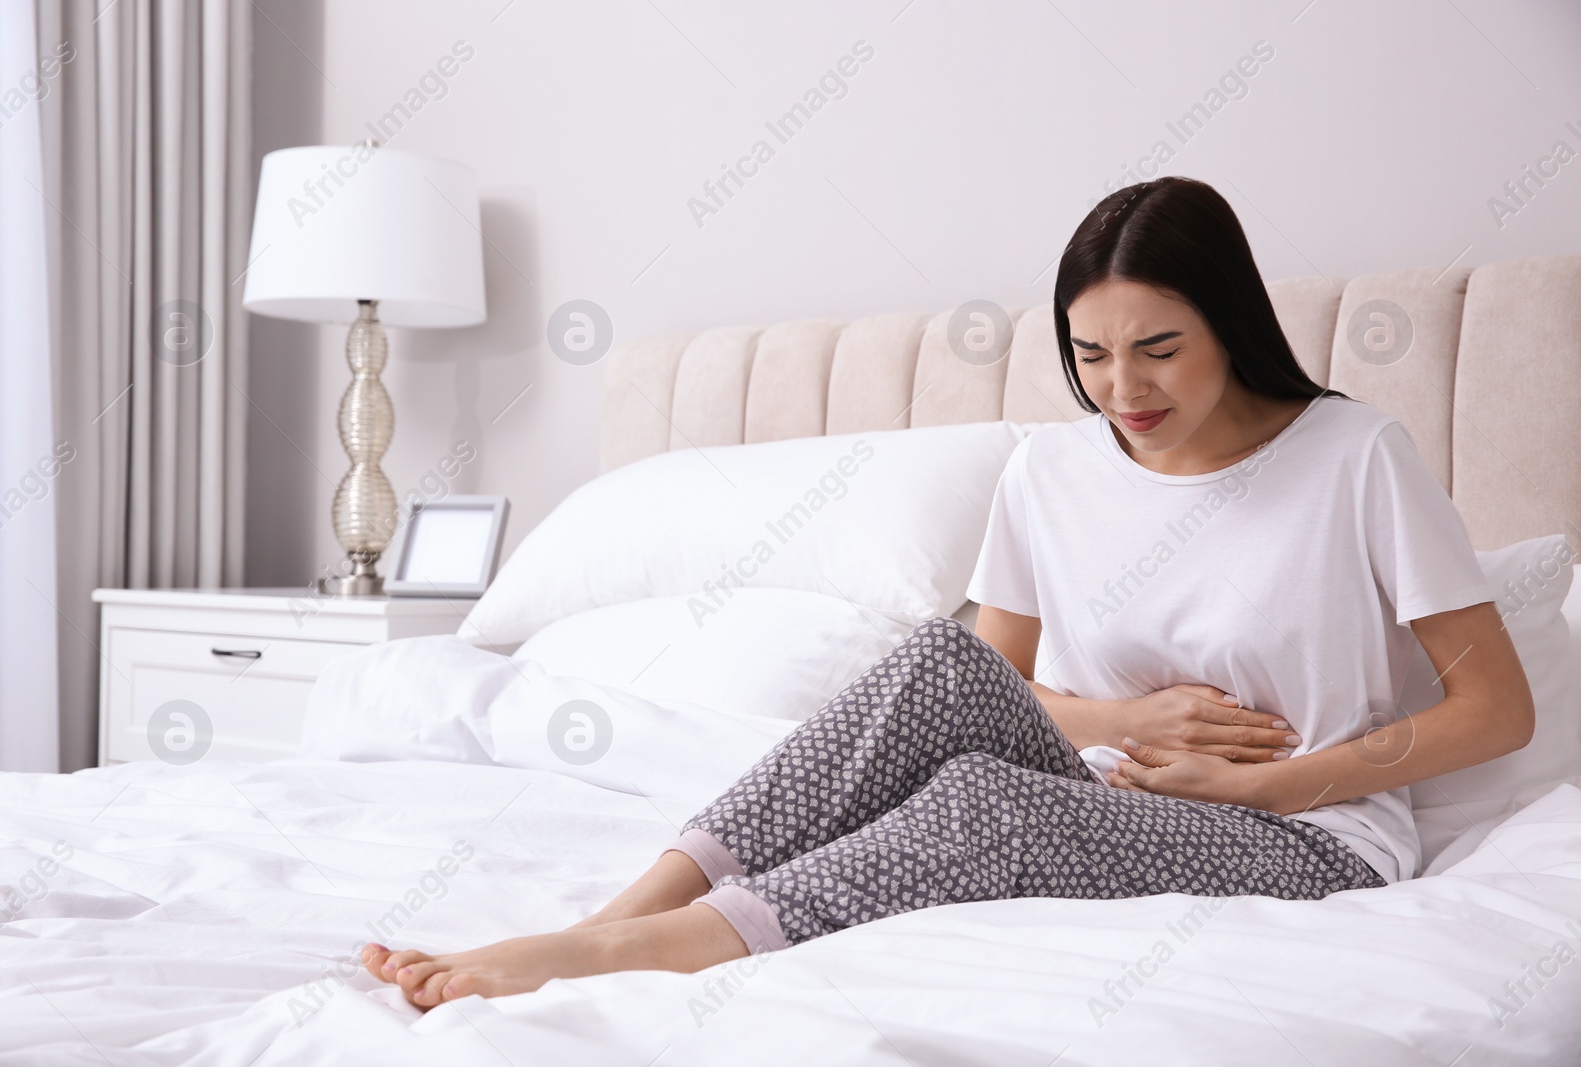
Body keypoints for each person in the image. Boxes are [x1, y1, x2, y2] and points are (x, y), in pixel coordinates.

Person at [361, 176, 1534, 1008]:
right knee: (937, 661)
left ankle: (641, 952)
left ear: (1229, 324)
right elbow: (1003, 682)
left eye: (1158, 347)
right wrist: (1127, 721)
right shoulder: (1053, 468)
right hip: (1110, 783)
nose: (1120, 386)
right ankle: (605, 916)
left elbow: (1495, 711)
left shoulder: (1354, 456)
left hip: (1309, 833)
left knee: (985, 800)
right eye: (1089, 354)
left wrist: (1273, 783)